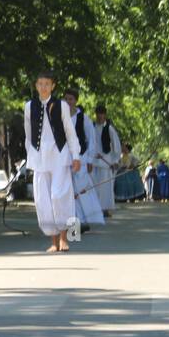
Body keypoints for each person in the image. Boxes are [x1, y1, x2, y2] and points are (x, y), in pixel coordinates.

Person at [23, 69, 82, 252]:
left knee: (60, 195)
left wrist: (76, 156)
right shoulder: (29, 106)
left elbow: (70, 132)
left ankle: (66, 238)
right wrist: (29, 157)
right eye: (40, 84)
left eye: (47, 84)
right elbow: (28, 134)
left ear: (53, 86)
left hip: (59, 154)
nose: (43, 87)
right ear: (36, 85)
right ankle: (54, 241)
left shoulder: (62, 105)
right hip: (39, 157)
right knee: (43, 200)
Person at [63, 90, 104, 232]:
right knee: (68, 191)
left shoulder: (83, 118)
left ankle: (84, 219)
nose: (68, 102)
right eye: (66, 99)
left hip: (81, 158)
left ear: (76, 101)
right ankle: (75, 221)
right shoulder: (60, 117)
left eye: (71, 99)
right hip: (64, 159)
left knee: (81, 191)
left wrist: (90, 160)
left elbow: (91, 139)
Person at [92, 105, 122, 216]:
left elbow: (116, 146)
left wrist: (115, 161)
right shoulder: (91, 127)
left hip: (106, 162)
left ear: (105, 115)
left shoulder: (109, 128)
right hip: (94, 162)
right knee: (94, 186)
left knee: (105, 188)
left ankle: (104, 209)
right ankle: (94, 209)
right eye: (98, 114)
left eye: (102, 114)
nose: (100, 116)